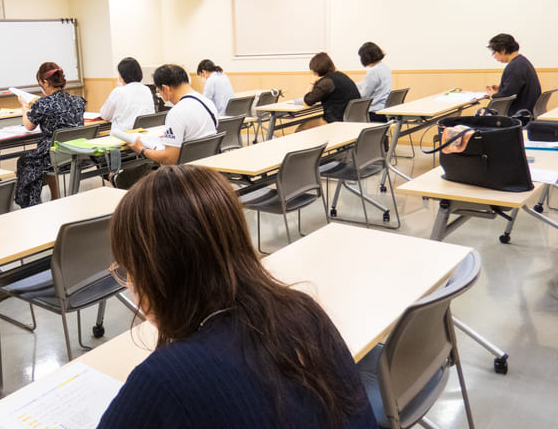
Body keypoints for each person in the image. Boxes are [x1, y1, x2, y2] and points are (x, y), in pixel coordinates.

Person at [98, 165, 377, 428]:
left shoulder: (164, 380)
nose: (130, 284)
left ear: (157, 270)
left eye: (127, 269)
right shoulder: (304, 310)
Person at [14, 62, 86, 208]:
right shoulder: (78, 100)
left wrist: (24, 107)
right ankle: (55, 197)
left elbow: (28, 126)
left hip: (52, 154)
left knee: (25, 161)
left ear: (45, 82)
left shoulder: (43, 103)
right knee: (44, 158)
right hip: (76, 153)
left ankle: (34, 204)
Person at [129, 64, 217, 165]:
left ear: (165, 89)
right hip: (208, 170)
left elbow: (169, 159)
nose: (160, 95)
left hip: (184, 174)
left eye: (158, 91)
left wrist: (142, 149)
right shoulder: (208, 103)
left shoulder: (176, 112)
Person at [486, 33, 541, 115]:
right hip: (528, 111)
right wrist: (500, 89)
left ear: (503, 50)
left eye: (494, 53)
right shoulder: (522, 62)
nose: (494, 56)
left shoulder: (514, 66)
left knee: (481, 113)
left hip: (519, 115)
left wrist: (493, 95)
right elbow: (513, 89)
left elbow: (506, 97)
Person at [100, 57, 155, 132]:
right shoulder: (146, 89)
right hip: (143, 134)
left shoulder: (118, 92)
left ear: (122, 75)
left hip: (123, 137)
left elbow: (105, 115)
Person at [304, 52, 361, 123]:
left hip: (336, 121)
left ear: (316, 70)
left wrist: (312, 82)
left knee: (302, 128)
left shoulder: (327, 82)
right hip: (351, 119)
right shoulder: (341, 75)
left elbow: (307, 101)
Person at [356, 42, 392, 122]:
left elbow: (365, 94)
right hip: (386, 110)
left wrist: (353, 92)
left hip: (375, 112)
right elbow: (369, 85)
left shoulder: (373, 71)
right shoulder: (385, 67)